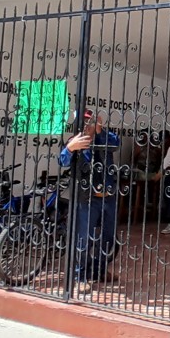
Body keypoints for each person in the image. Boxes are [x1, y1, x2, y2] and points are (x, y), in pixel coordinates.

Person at [58, 108, 120, 295]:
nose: (87, 125)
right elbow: (62, 161)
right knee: (83, 239)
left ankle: (99, 271)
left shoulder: (104, 138)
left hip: (108, 196)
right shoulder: (75, 141)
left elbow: (116, 143)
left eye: (90, 121)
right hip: (87, 198)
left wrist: (101, 129)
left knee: (108, 237)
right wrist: (70, 148)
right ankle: (81, 277)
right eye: (84, 122)